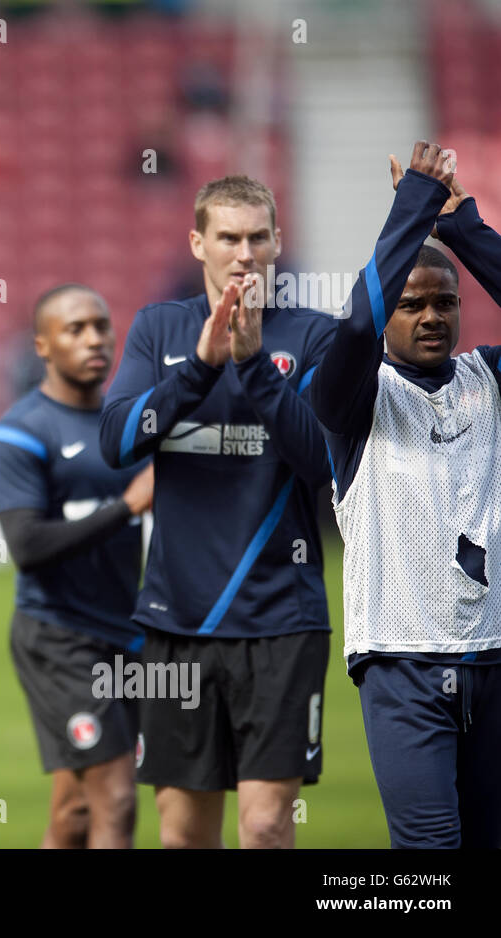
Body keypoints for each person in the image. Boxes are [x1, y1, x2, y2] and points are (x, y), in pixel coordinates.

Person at [99, 175, 337, 848]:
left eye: (258, 237)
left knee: (264, 827)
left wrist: (255, 364)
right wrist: (199, 370)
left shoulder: (314, 337)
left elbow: (322, 462)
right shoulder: (159, 328)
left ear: (277, 243)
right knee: (182, 834)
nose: (244, 253)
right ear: (198, 243)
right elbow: (117, 442)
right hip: (177, 619)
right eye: (228, 238)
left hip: (282, 621)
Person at [311, 141, 501, 848]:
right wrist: (412, 208)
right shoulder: (353, 397)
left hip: (495, 655)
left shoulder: (489, 381)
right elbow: (356, 324)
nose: (430, 317)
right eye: (411, 304)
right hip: (401, 663)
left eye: (445, 303)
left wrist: (463, 231)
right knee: (428, 859)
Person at [0, 284, 153, 848]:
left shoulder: (128, 423)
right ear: (42, 345)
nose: (93, 340)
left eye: (101, 327)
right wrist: (126, 505)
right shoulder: (20, 431)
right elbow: (27, 545)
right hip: (60, 639)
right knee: (117, 797)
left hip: (127, 635)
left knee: (76, 810)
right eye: (74, 329)